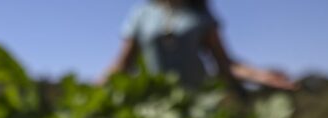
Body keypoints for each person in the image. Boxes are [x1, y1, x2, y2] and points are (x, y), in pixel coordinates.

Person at [102, 0, 296, 92]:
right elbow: (122, 65)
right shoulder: (142, 14)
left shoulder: (201, 14)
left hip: (195, 102)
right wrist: (89, 92)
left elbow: (225, 63)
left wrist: (262, 76)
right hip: (153, 105)